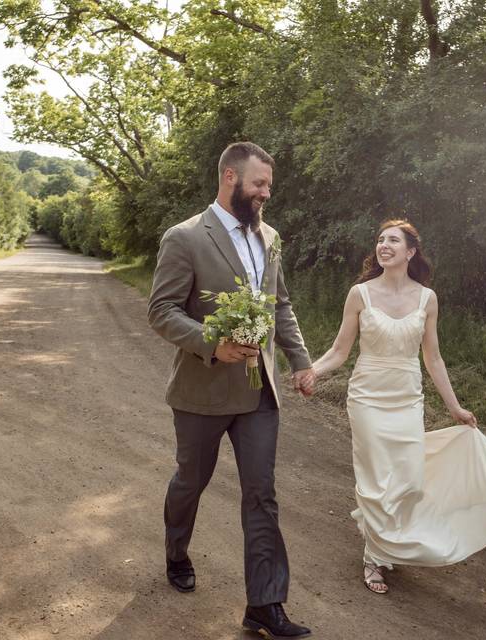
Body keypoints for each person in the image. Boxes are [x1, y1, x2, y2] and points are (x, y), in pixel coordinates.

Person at [148, 142, 316, 638]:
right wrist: (210, 344)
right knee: (190, 482)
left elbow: (279, 305)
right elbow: (161, 311)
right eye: (258, 184)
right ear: (229, 177)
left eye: (268, 186)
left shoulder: (271, 237)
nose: (266, 194)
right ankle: (176, 551)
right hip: (202, 390)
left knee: (261, 494)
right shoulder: (183, 237)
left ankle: (264, 605)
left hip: (259, 392)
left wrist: (301, 361)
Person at [309, 219, 486, 594]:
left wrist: (455, 408)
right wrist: (309, 372)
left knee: (408, 478)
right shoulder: (359, 294)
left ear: (410, 252)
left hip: (407, 398)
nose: (384, 245)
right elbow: (340, 351)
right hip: (367, 398)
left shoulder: (427, 299)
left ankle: (390, 539)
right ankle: (374, 556)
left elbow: (434, 359)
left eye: (393, 240)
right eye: (380, 240)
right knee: (377, 479)